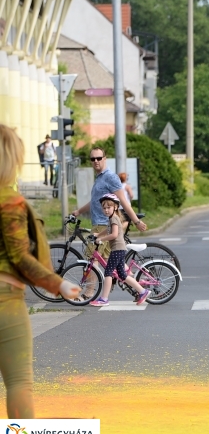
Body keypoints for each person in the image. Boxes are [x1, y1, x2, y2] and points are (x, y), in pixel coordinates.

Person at [0, 124, 80, 418]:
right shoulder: (10, 202)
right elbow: (19, 256)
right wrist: (58, 284)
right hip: (5, 300)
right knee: (19, 383)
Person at [72, 147, 147, 259]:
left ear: (104, 158)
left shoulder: (110, 177)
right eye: (93, 159)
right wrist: (79, 211)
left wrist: (136, 221)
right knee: (110, 263)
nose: (96, 161)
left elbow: (123, 201)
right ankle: (130, 272)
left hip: (103, 225)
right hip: (102, 225)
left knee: (91, 260)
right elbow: (94, 201)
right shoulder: (99, 178)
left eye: (99, 158)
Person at [88, 193, 150, 307]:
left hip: (117, 249)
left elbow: (114, 234)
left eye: (109, 207)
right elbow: (108, 230)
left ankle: (104, 299)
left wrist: (101, 239)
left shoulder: (114, 219)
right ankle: (142, 291)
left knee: (108, 272)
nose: (106, 210)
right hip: (119, 249)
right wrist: (98, 235)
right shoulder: (112, 218)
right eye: (104, 208)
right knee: (122, 275)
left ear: (115, 207)